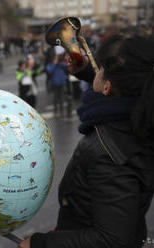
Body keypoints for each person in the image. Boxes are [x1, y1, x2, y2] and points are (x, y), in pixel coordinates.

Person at [18, 34, 154, 248]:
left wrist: (40, 244)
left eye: (100, 69)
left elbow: (113, 240)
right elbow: (125, 88)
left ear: (108, 87)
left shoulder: (111, 157)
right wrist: (87, 73)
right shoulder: (140, 114)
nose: (96, 70)